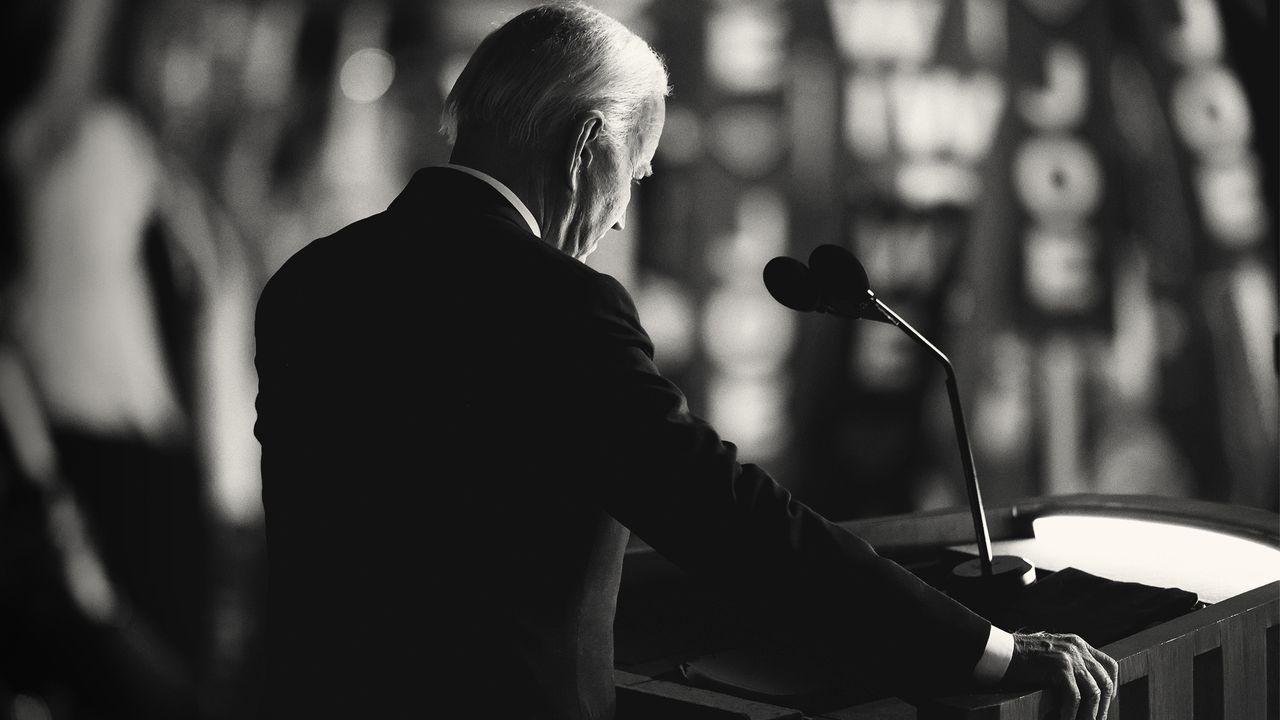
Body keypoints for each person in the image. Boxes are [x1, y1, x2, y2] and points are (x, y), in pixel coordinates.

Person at [252, 3, 1118, 719]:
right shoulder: (555, 305)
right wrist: (986, 652)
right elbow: (729, 518)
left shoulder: (307, 284)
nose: (623, 215)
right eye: (635, 172)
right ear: (588, 146)